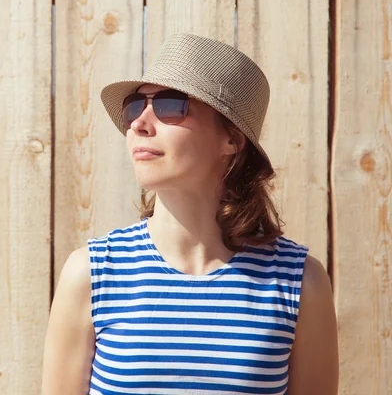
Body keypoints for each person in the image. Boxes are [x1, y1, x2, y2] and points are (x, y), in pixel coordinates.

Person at [41, 33, 338, 395]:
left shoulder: (299, 282)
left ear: (232, 139)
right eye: (136, 106)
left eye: (170, 105)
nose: (139, 123)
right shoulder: (92, 273)